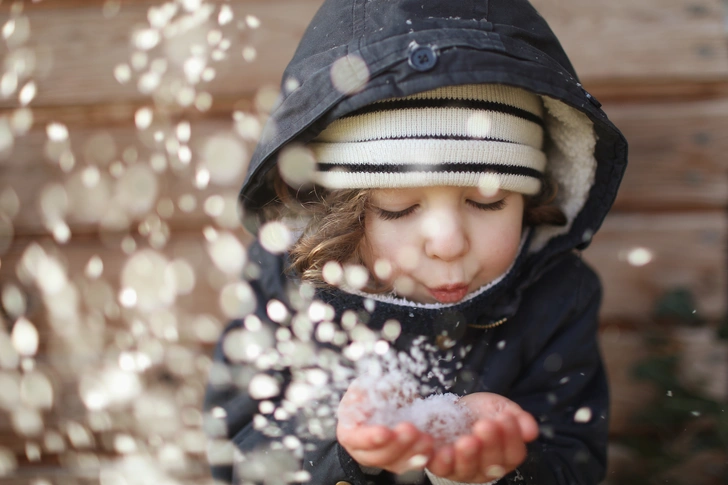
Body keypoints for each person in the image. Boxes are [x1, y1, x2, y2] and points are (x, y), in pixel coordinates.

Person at [204, 0, 628, 484]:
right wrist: (347, 459)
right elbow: (238, 457)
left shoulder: (558, 297)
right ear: (335, 209)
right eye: (398, 208)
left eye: (488, 202)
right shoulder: (288, 288)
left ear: (532, 196)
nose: (447, 244)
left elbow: (576, 464)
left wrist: (500, 470)